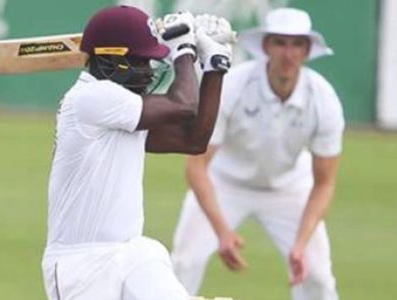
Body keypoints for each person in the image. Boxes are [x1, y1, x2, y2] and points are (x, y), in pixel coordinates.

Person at [40, 5, 234, 300]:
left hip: (133, 253)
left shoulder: (122, 110)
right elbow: (183, 105)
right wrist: (183, 50)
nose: (147, 72)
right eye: (141, 62)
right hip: (81, 266)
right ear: (112, 58)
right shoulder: (90, 98)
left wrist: (215, 64)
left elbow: (194, 140)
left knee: (149, 255)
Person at [171, 7, 344, 300]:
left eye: (296, 44)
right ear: (266, 46)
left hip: (289, 188)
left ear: (306, 50)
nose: (288, 53)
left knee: (317, 276)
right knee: (184, 262)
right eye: (280, 42)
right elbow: (197, 166)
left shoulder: (323, 99)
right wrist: (223, 232)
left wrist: (300, 244)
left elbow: (325, 183)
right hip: (224, 182)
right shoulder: (233, 85)